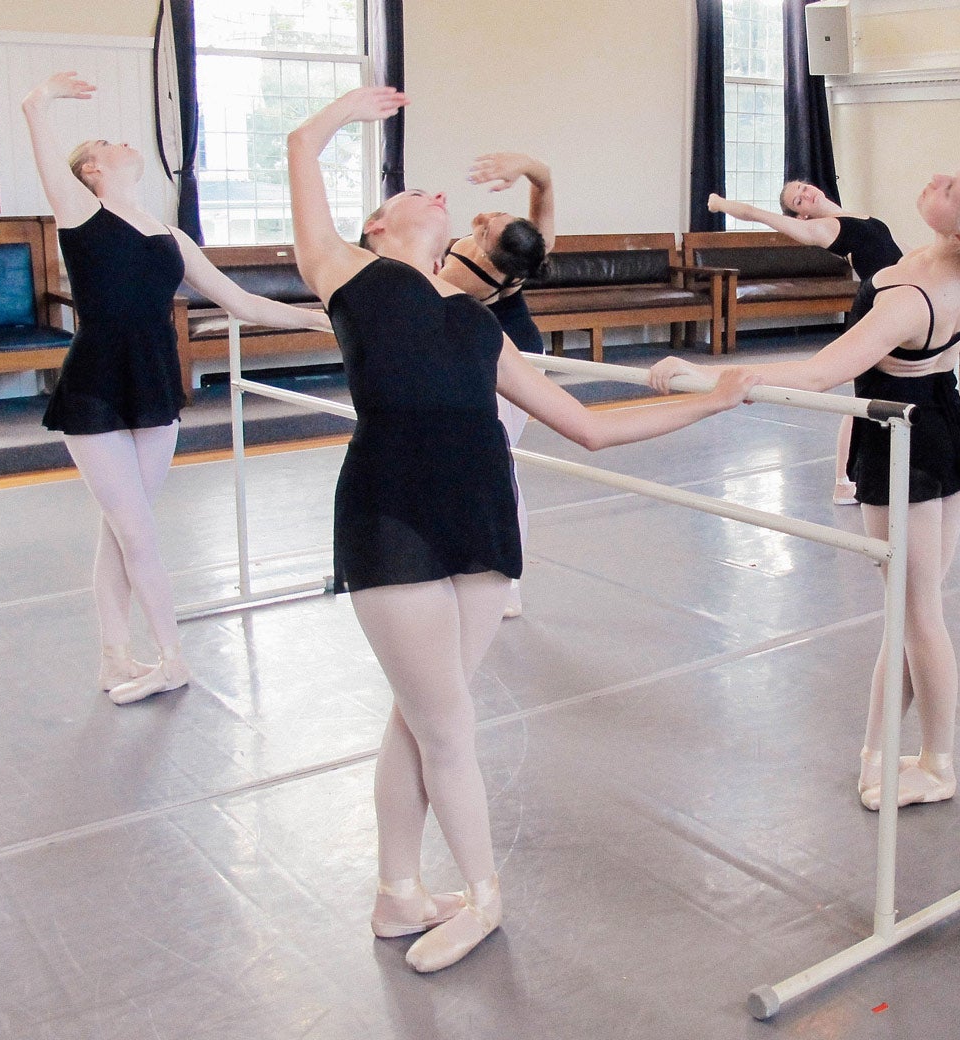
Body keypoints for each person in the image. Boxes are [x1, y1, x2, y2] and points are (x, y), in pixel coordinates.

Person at [288, 86, 756, 974]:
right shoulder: (348, 275)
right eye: (412, 193)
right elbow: (299, 148)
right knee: (449, 727)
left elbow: (592, 425)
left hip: (481, 521)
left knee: (421, 719)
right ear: (378, 226)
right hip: (393, 517)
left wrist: (715, 400)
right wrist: (349, 108)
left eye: (443, 196)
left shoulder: (478, 322)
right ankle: (483, 897)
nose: (435, 196)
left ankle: (398, 893)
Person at [652, 40, 960, 813]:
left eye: (950, 186)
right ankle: (877, 745)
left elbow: (823, 372)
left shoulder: (909, 292)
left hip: (905, 440)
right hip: (944, 425)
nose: (938, 176)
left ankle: (937, 760)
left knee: (918, 613)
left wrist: (706, 378)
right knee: (908, 610)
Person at [21, 72, 332, 705]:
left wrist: (316, 315)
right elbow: (36, 124)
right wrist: (43, 101)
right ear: (92, 170)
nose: (122, 142)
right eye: (106, 142)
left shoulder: (173, 238)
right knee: (136, 533)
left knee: (120, 532)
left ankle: (114, 659)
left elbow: (241, 301)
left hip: (155, 381)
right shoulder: (82, 214)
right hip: (97, 387)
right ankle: (171, 657)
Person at [708, 184, 904, 506]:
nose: (806, 193)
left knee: (878, 396)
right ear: (802, 213)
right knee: (865, 399)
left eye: (803, 188)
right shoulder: (824, 229)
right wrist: (720, 204)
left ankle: (863, 477)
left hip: (897, 305)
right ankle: (844, 481)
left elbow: (897, 251)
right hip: (876, 310)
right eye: (798, 200)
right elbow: (757, 215)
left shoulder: (860, 216)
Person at [437, 152, 555, 618]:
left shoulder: (470, 270)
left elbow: (423, 291)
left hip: (508, 363)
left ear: (487, 243)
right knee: (479, 466)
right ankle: (469, 566)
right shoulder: (521, 250)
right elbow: (545, 185)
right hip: (492, 355)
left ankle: (505, 581)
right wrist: (524, 166)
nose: (484, 215)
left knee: (498, 470)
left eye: (491, 221)